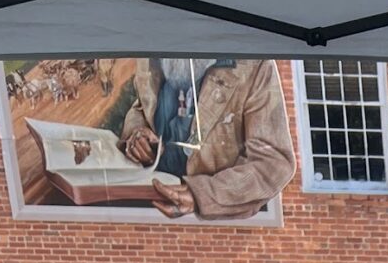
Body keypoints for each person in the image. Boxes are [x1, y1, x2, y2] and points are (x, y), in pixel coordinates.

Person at [121, 57, 294, 220]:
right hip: (144, 191)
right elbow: (141, 107)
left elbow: (273, 164)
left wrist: (202, 195)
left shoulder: (254, 65)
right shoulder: (153, 57)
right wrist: (138, 134)